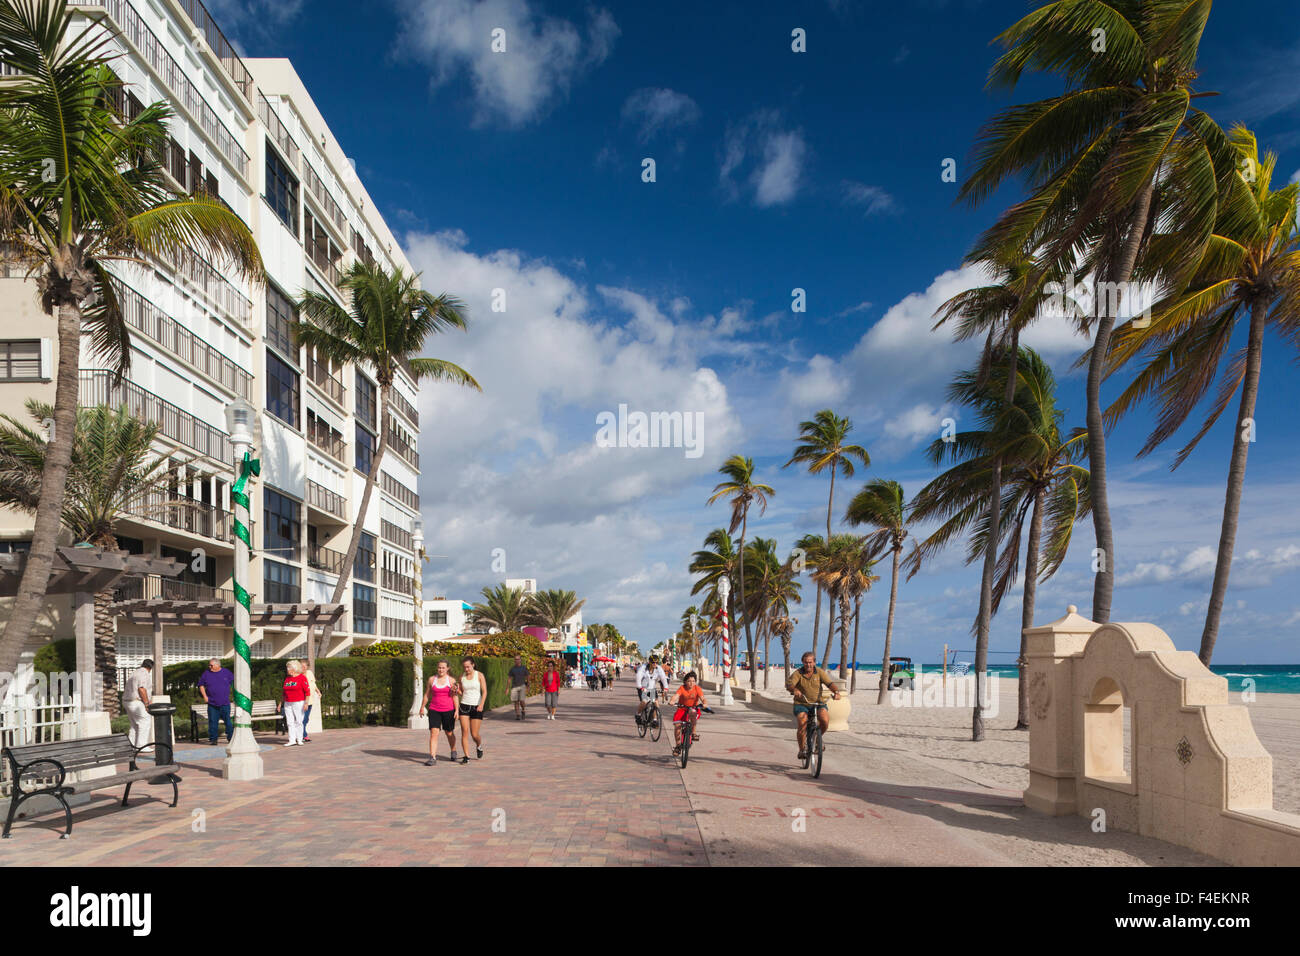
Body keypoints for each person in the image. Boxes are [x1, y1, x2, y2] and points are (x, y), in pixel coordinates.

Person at [785, 651, 841, 761]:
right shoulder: (798, 673)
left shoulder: (819, 672)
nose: (808, 665)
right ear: (802, 662)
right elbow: (789, 684)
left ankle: (817, 739)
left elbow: (830, 684)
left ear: (814, 662)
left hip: (818, 702)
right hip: (802, 704)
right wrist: (794, 690)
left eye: (810, 662)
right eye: (806, 662)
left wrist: (836, 692)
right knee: (802, 723)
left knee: (825, 720)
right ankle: (802, 749)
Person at [420, 660, 459, 765]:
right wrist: (422, 707)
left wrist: (457, 711)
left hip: (448, 710)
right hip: (434, 710)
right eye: (439, 668)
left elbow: (455, 696)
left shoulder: (451, 680)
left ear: (447, 669)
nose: (441, 670)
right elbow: (427, 694)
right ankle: (432, 757)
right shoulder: (432, 679)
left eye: (443, 668)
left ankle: (453, 750)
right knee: (434, 733)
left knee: (449, 732)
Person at [197, 658, 234, 746]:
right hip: (212, 703)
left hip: (225, 703)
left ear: (217, 665)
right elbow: (201, 685)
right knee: (213, 722)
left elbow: (233, 683)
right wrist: (205, 696)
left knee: (228, 722)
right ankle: (213, 740)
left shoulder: (226, 672)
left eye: (211, 665)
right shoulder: (206, 673)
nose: (209, 667)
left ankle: (231, 738)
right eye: (209, 665)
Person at [671, 671, 708, 757]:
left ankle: (694, 733)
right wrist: (672, 701)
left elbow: (703, 698)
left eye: (693, 681)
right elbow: (676, 696)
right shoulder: (682, 688)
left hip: (693, 709)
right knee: (677, 726)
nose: (691, 683)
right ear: (685, 682)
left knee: (693, 711)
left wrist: (705, 704)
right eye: (689, 681)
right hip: (682, 709)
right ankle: (678, 746)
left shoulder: (697, 689)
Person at [457, 656, 486, 762]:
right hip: (464, 706)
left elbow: (484, 691)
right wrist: (456, 690)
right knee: (464, 731)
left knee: (474, 734)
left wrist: (481, 704)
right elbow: (461, 692)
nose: (466, 669)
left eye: (468, 667)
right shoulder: (462, 677)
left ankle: (479, 745)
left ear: (473, 665)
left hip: (476, 707)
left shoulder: (479, 675)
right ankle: (466, 756)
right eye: (464, 667)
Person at [279, 659, 311, 746]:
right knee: (289, 722)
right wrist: (280, 704)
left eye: (288, 668)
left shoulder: (302, 678)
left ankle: (299, 739)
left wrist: (306, 703)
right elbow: (284, 693)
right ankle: (291, 740)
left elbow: (307, 692)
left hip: (299, 702)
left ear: (293, 669)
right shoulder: (287, 679)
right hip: (288, 703)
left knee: (299, 721)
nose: (287, 670)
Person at [123, 659, 153, 748]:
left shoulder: (134, 672)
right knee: (145, 721)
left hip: (127, 701)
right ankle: (142, 746)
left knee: (134, 725)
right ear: (150, 668)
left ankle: (131, 745)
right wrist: (147, 704)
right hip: (136, 702)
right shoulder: (144, 673)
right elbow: (142, 688)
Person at [635, 655, 669, 726]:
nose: (655, 664)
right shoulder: (643, 668)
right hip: (642, 687)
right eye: (653, 662)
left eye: (656, 662)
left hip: (651, 687)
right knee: (644, 701)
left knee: (655, 703)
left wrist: (666, 688)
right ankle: (638, 714)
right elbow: (638, 676)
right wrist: (640, 687)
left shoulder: (658, 668)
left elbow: (663, 678)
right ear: (649, 662)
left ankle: (655, 720)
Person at [299, 660, 320, 743]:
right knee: (303, 719)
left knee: (306, 718)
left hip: (310, 700)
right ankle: (303, 735)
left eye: (305, 666)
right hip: (302, 700)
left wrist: (318, 691)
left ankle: (302, 735)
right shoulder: (298, 675)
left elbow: (313, 684)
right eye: (301, 666)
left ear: (307, 667)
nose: (303, 668)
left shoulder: (310, 673)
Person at [507, 655, 530, 720]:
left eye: (518, 659)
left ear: (520, 660)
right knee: (516, 701)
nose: (516, 660)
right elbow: (509, 678)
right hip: (514, 686)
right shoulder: (512, 669)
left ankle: (523, 709)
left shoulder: (524, 668)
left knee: (522, 701)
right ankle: (518, 715)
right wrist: (507, 688)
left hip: (522, 686)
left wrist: (528, 685)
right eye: (515, 659)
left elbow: (528, 676)